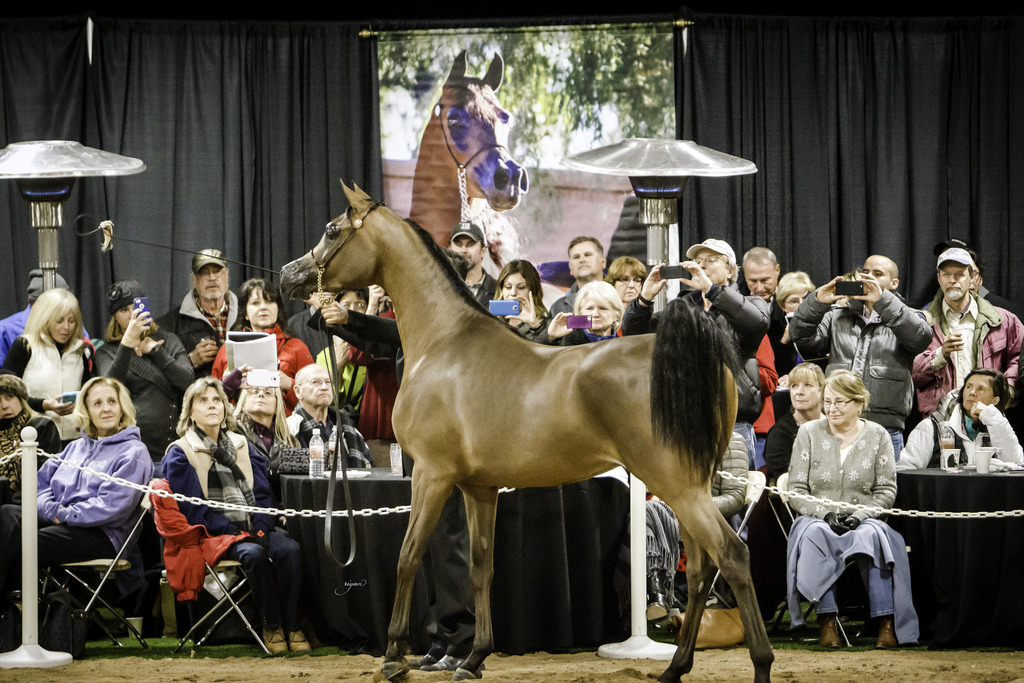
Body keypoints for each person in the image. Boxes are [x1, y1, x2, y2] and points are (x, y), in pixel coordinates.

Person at [163, 378, 309, 654]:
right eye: (202, 401)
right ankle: (271, 625)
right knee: (253, 554)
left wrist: (263, 528)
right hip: (215, 534)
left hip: (255, 526)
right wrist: (235, 532)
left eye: (216, 400)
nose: (211, 405)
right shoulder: (180, 452)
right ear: (190, 412)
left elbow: (264, 495)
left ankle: (293, 625)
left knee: (290, 549)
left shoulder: (242, 444)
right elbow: (194, 510)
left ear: (225, 407)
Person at [786, 370, 918, 649]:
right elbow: (796, 490)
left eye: (840, 402)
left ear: (859, 403)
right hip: (817, 518)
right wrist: (825, 514)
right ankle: (827, 620)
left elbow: (885, 491)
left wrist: (859, 516)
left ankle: (885, 623)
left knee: (873, 537)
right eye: (828, 402)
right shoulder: (808, 433)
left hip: (863, 518)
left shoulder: (878, 435)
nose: (831, 409)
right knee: (816, 535)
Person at [0, 377, 152, 597]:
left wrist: (66, 514)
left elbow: (112, 506)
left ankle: (17, 610)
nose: (106, 408)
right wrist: (54, 511)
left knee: (30, 543)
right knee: (7, 513)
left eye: (112, 401)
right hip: (59, 521)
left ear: (122, 408)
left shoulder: (134, 452)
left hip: (103, 534)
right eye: (97, 403)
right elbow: (38, 486)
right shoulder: (74, 448)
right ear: (87, 411)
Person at [622, 238, 770, 464]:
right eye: (697, 261)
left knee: (736, 493)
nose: (702, 265)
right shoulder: (682, 309)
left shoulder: (752, 303)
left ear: (730, 271)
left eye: (712, 260)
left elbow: (756, 323)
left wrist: (712, 290)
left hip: (733, 419)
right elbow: (635, 335)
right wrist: (645, 298)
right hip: (687, 420)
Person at [789, 254, 932, 455]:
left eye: (878, 274)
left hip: (886, 426)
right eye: (865, 272)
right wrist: (817, 302)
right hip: (837, 422)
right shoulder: (837, 315)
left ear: (893, 283)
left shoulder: (909, 316)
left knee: (885, 486)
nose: (869, 277)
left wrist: (882, 301)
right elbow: (801, 336)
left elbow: (919, 339)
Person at [645, 430, 747, 620]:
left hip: (702, 519)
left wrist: (689, 507)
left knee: (647, 515)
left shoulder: (732, 440)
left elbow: (735, 498)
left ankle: (658, 593)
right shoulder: (667, 437)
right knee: (646, 512)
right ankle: (659, 594)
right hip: (663, 512)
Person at [95, 280, 195, 470]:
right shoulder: (106, 352)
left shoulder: (169, 341)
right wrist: (126, 344)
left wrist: (157, 352)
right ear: (115, 316)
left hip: (175, 445)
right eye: (124, 310)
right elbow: (107, 388)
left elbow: (188, 382)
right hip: (131, 450)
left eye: (136, 307)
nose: (132, 315)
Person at [912, 247, 1023, 418]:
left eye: (960, 274)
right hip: (941, 419)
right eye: (946, 274)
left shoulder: (1003, 319)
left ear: (972, 278)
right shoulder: (923, 322)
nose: (952, 280)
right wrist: (941, 354)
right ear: (939, 278)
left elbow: (1017, 358)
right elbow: (913, 375)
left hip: (987, 416)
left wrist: (1006, 390)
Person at [2, 288, 94, 442]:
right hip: (32, 437)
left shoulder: (80, 349)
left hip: (75, 439)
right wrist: (44, 405)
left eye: (71, 321)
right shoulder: (25, 345)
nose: (66, 327)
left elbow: (89, 391)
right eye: (59, 321)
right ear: (45, 319)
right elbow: (6, 393)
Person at [212, 278, 314, 413]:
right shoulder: (228, 349)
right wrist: (225, 384)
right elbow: (210, 398)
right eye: (255, 303)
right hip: (236, 426)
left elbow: (314, 398)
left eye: (270, 301)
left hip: (285, 427)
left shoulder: (297, 347)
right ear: (245, 313)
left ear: (278, 308)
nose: (263, 307)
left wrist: (289, 385)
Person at [900, 368, 1023, 469]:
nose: (972, 392)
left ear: (995, 400)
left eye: (981, 389)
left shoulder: (998, 426)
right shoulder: (933, 426)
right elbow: (905, 469)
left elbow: (1016, 464)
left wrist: (993, 419)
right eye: (968, 387)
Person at [157, 248, 239, 378]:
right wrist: (191, 360)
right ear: (194, 280)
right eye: (204, 273)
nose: (212, 277)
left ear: (226, 276)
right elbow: (159, 372)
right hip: (198, 395)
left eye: (217, 271)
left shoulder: (246, 314)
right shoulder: (172, 322)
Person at [0, 372, 61, 503]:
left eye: (9, 397)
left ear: (21, 400)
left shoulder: (41, 427)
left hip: (31, 503)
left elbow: (46, 478)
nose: (4, 405)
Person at [0, 269, 77, 366]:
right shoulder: (5, 330)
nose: (65, 326)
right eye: (50, 306)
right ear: (32, 303)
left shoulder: (70, 326)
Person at [763, 362, 825, 481]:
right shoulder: (779, 434)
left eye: (808, 385)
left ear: (821, 391)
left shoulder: (835, 426)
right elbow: (788, 478)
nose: (799, 392)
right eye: (794, 386)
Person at [743, 247, 796, 380]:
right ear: (744, 274)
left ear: (777, 270)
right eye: (753, 281)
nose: (759, 288)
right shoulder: (735, 299)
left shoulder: (795, 296)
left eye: (765, 280)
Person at [547, 280, 623, 345]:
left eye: (603, 308)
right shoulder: (566, 343)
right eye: (589, 308)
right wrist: (550, 338)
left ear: (616, 315)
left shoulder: (625, 346)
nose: (595, 314)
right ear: (580, 313)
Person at [492, 260, 550, 342]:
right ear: (501, 289)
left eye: (521, 287)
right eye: (508, 287)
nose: (513, 293)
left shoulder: (547, 326)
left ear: (533, 290)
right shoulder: (491, 321)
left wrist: (536, 326)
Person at [550, 236, 606, 316]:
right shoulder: (558, 308)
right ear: (570, 268)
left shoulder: (622, 296)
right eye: (576, 257)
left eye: (587, 255)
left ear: (603, 262)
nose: (582, 260)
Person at [448, 221, 497, 309]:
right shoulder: (437, 287)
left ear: (483, 251)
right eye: (458, 244)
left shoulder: (500, 292)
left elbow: (511, 321)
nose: (463, 250)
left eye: (470, 244)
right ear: (450, 249)